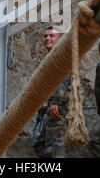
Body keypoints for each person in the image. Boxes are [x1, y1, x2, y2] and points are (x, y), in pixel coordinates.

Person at [32, 26, 70, 158]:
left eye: (52, 36)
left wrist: (55, 103)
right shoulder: (50, 58)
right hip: (50, 108)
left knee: (55, 148)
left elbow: (63, 79)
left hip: (58, 109)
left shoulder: (60, 56)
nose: (47, 38)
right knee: (41, 146)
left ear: (59, 39)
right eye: (45, 36)